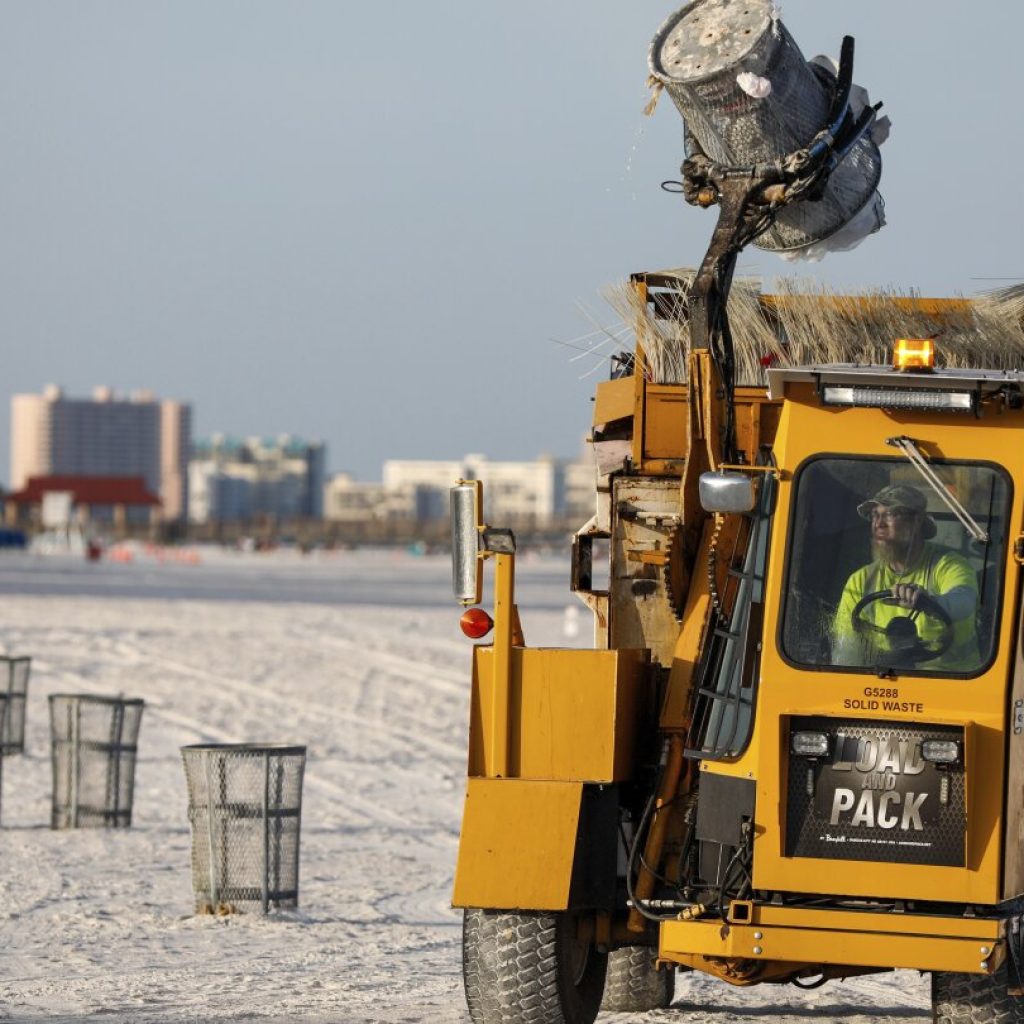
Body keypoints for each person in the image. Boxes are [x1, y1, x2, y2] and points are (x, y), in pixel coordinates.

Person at [832, 485, 979, 671]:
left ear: (916, 520)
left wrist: (929, 603)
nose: (879, 523)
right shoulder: (860, 580)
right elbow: (844, 651)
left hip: (954, 683)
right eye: (875, 515)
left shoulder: (948, 565)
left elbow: (964, 601)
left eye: (891, 514)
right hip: (888, 685)